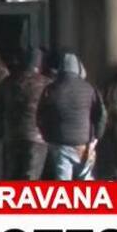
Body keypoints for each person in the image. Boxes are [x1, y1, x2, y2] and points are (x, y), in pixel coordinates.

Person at [37, 52, 107, 181]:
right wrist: (96, 138)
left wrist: (48, 137)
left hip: (61, 144)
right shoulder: (90, 89)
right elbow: (101, 115)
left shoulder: (51, 89)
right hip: (85, 145)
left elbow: (41, 116)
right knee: (86, 179)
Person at [0, 48, 50, 180]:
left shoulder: (8, 82)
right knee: (30, 178)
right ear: (39, 64)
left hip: (12, 136)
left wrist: (3, 126)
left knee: (11, 177)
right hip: (37, 139)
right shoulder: (46, 84)